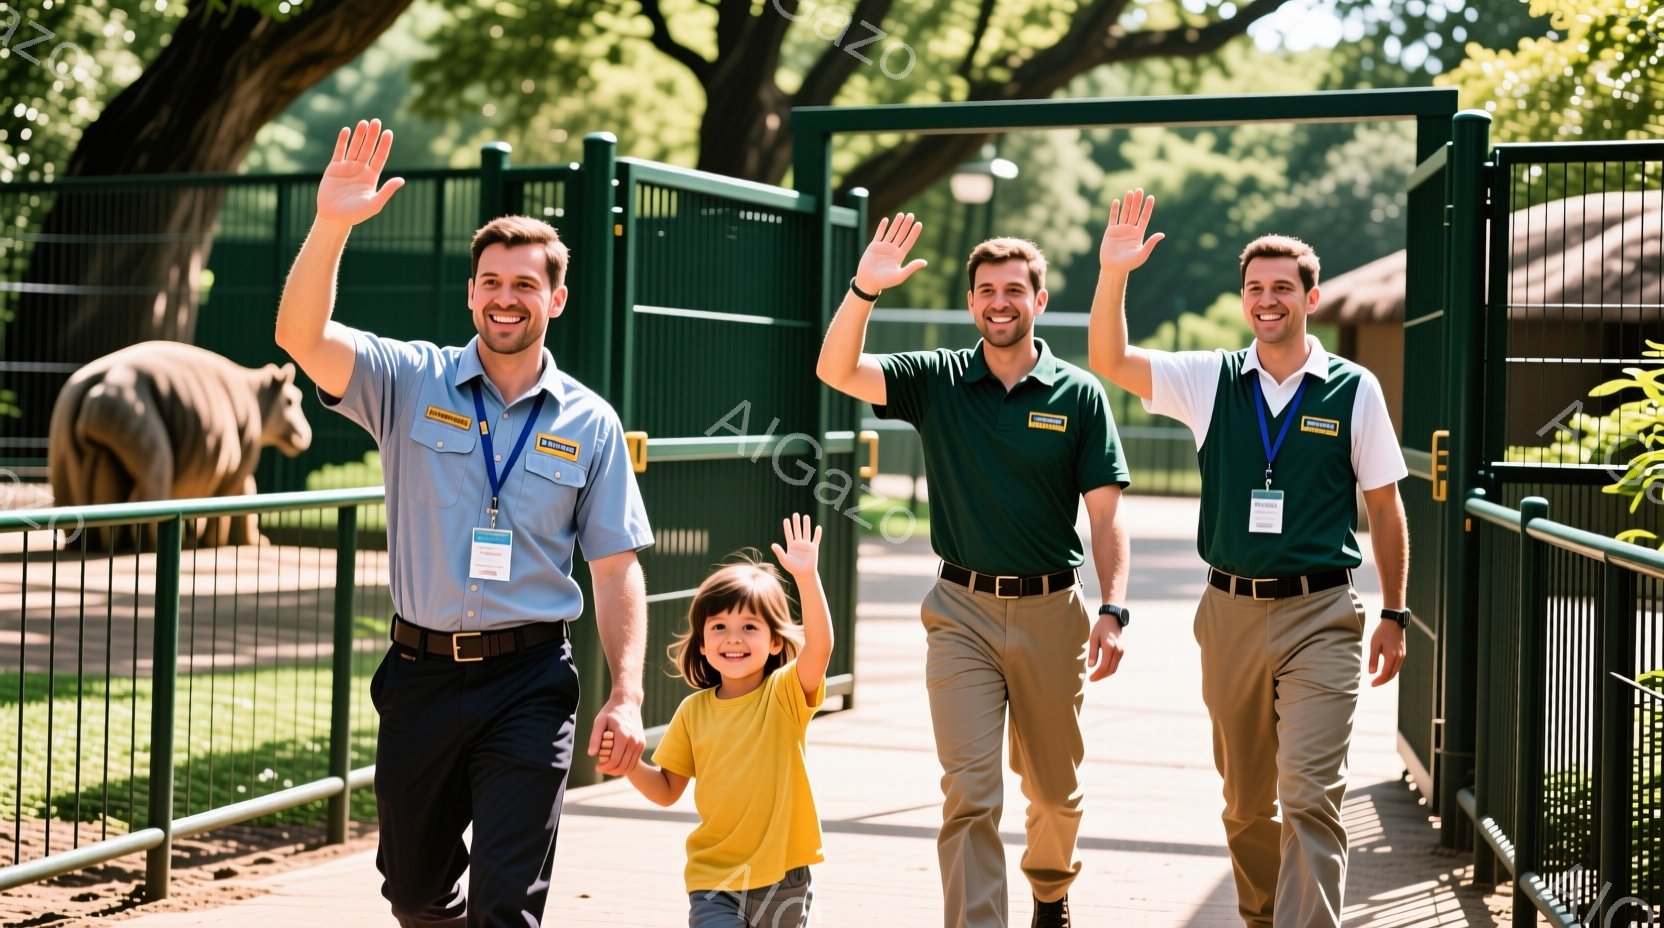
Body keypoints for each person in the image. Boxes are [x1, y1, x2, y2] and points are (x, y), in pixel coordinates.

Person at [274, 119, 654, 927]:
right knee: (414, 892)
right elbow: (298, 337)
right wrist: (332, 223)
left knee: (507, 903)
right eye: (490, 281)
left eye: (524, 283)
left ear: (555, 296)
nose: (504, 298)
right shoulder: (410, 379)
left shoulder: (591, 423)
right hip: (421, 676)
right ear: (473, 291)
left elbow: (617, 568)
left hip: (530, 682)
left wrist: (626, 693)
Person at [1086, 188, 1410, 928]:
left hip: (1322, 613)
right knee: (1245, 802)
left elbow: (1386, 510)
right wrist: (1114, 273)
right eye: (1256, 289)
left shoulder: (1353, 390)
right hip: (1227, 614)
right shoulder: (1209, 381)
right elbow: (1108, 357)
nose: (1268, 300)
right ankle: (1262, 915)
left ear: (1311, 297)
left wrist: (1393, 611)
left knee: (1310, 796)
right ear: (1244, 299)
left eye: (1282, 288)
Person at [815, 214, 1133, 928]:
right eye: (986, 289)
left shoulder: (1078, 395)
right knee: (970, 790)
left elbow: (1108, 517)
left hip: (1055, 612)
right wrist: (864, 288)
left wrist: (1113, 608)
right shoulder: (936, 379)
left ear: (1040, 301)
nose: (999, 301)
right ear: (970, 303)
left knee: (1053, 792)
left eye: (1014, 289)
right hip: (960, 611)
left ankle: (1051, 891)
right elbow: (836, 369)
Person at [602, 513, 832, 928]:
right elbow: (667, 789)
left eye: (749, 626)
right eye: (720, 626)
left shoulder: (784, 695)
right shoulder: (693, 711)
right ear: (703, 644)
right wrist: (628, 764)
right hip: (714, 879)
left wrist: (806, 577)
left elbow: (820, 648)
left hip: (782, 879)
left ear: (775, 640)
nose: (733, 638)